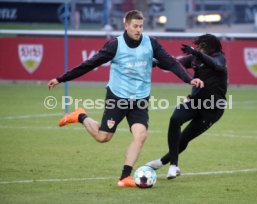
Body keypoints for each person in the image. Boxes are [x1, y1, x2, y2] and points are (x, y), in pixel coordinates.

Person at [48, 10, 204, 187]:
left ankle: (125, 177)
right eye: (135, 26)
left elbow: (171, 63)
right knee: (103, 137)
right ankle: (80, 116)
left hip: (140, 99)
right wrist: (61, 78)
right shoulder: (115, 45)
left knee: (141, 135)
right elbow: (89, 64)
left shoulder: (150, 43)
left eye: (141, 26)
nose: (138, 30)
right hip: (118, 97)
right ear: (126, 25)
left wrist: (190, 79)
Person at [146, 34, 228, 179]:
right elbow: (174, 64)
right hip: (195, 102)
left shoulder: (219, 57)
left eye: (202, 46)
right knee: (175, 119)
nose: (199, 48)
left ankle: (161, 162)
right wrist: (156, 62)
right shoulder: (195, 58)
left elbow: (216, 65)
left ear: (211, 47)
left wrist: (196, 53)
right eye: (198, 46)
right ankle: (173, 165)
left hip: (212, 109)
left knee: (184, 138)